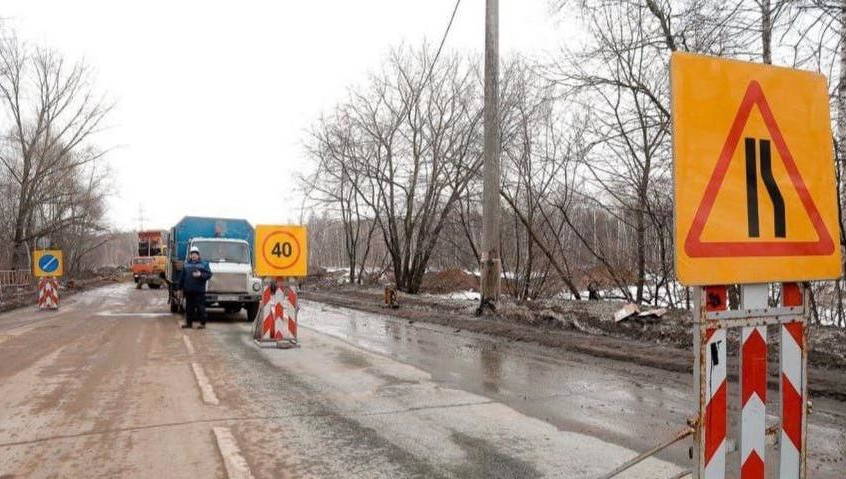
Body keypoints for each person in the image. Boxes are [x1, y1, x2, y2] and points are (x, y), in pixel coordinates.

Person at [178, 246, 212, 329]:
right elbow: (182, 277)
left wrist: (200, 275)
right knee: (189, 308)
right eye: (192, 254)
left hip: (199, 290)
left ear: (198, 255)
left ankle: (202, 324)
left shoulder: (204, 264)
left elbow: (209, 275)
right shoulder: (186, 264)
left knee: (200, 307)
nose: (194, 255)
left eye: (195, 254)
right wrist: (179, 288)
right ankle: (189, 323)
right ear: (190, 255)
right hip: (188, 290)